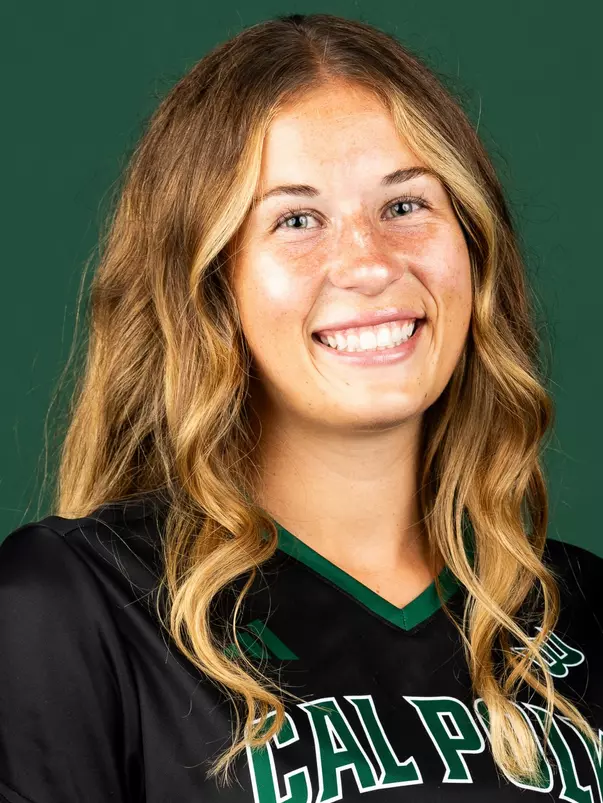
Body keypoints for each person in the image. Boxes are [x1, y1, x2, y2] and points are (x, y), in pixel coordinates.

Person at [0, 11, 602, 803]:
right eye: (295, 219)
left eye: (405, 205)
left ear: (473, 245)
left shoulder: (582, 608)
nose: (367, 263)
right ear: (209, 288)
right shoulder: (76, 605)